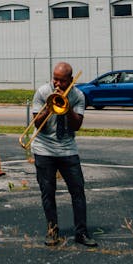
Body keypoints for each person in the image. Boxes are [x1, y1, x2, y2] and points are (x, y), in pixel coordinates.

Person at [30, 61, 97, 248]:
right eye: (55, 79)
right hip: (44, 149)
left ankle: (81, 233)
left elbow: (77, 125)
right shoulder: (43, 92)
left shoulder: (78, 96)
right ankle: (52, 232)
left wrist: (67, 110)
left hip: (67, 149)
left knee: (78, 191)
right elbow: (36, 124)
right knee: (47, 192)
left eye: (62, 81)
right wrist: (48, 109)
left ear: (70, 79)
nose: (57, 84)